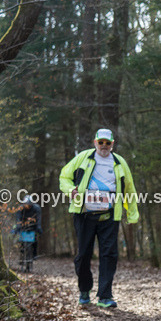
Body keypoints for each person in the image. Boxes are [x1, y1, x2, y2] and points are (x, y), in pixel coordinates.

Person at [58, 129, 140, 307]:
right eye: (100, 142)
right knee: (83, 254)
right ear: (95, 142)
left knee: (109, 255)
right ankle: (84, 290)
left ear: (112, 143)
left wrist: (132, 214)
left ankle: (105, 296)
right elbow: (64, 176)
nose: (104, 146)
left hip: (110, 215)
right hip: (84, 215)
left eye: (107, 143)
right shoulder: (83, 158)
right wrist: (70, 190)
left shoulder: (120, 163)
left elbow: (129, 189)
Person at [13, 194, 42, 272]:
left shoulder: (36, 208)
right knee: (21, 242)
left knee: (35, 240)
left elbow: (39, 218)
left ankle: (34, 254)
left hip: (33, 226)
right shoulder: (20, 209)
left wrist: (38, 227)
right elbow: (18, 218)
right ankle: (22, 255)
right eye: (25, 205)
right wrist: (18, 226)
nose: (27, 206)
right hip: (23, 227)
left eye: (28, 205)